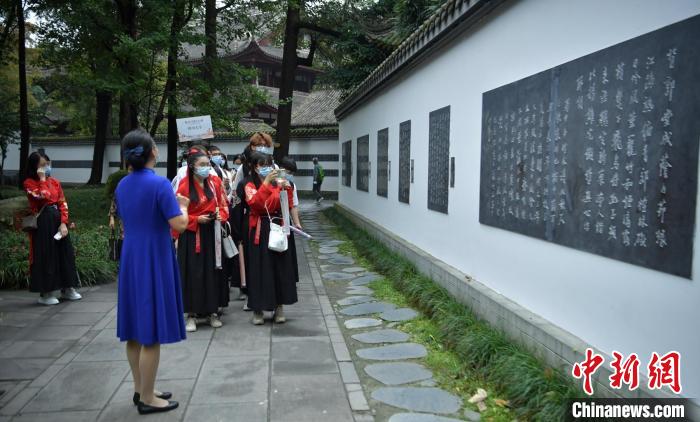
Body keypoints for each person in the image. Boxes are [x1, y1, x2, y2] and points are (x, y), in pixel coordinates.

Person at [115, 129, 189, 415]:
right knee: (151, 334)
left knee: (134, 331)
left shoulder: (122, 185)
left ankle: (140, 388)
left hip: (132, 255)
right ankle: (148, 398)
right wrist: (184, 207)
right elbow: (179, 224)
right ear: (151, 153)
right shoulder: (159, 185)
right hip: (154, 256)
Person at [176, 148, 230, 332]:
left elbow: (224, 205)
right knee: (193, 274)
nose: (207, 168)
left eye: (208, 164)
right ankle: (191, 314)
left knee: (213, 272)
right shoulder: (183, 185)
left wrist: (219, 215)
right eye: (202, 165)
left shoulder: (215, 182)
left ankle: (212, 312)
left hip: (212, 233)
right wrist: (195, 220)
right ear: (191, 166)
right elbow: (177, 213)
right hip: (192, 236)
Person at [244, 152, 298, 325]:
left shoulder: (280, 183)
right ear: (254, 166)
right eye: (261, 164)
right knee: (259, 269)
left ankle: (279, 306)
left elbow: (287, 205)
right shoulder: (248, 183)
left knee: (280, 268)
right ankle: (258, 309)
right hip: (260, 229)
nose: (266, 167)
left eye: (268, 163)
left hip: (278, 226)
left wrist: (286, 189)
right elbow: (257, 204)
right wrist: (266, 183)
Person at [23, 152, 82, 305]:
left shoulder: (55, 182)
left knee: (65, 253)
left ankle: (67, 288)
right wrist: (42, 179)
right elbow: (44, 196)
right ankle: (46, 292)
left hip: (57, 220)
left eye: (47, 164)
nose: (46, 167)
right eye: (42, 165)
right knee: (46, 255)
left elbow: (62, 202)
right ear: (34, 166)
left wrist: (64, 222)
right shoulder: (29, 183)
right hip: (42, 223)